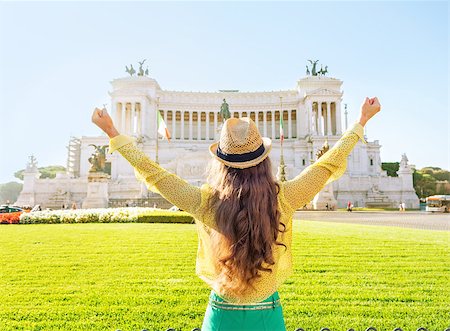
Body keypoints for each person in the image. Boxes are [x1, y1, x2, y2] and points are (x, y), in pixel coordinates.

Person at [92, 97, 381, 331]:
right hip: (267, 317)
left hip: (222, 318)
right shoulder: (285, 197)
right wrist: (361, 121)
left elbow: (155, 174)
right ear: (263, 160)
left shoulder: (205, 203)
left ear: (222, 163)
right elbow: (326, 165)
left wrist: (113, 133)